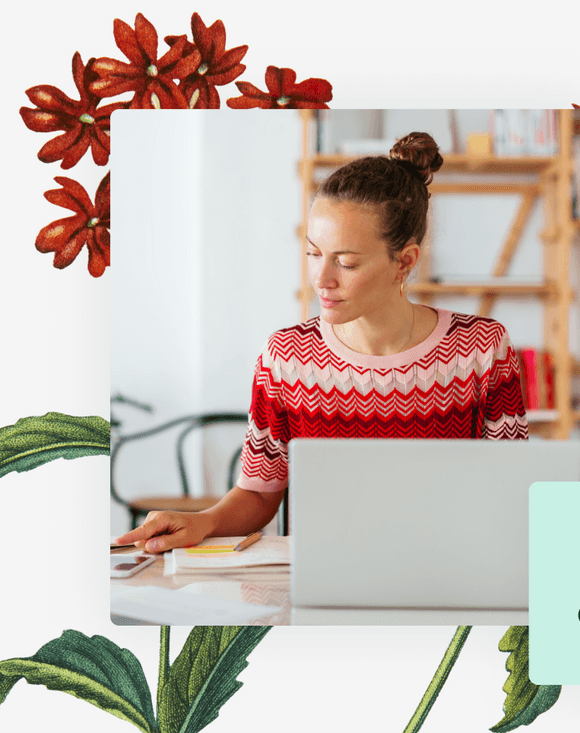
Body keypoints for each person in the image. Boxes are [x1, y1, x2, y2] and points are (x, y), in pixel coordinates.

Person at [117, 132, 529, 553]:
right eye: (314, 254)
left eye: (346, 262)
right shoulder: (286, 358)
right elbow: (260, 494)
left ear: (404, 261)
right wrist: (203, 522)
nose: (322, 279)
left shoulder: (481, 349)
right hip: (318, 578)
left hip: (450, 572)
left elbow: (511, 492)